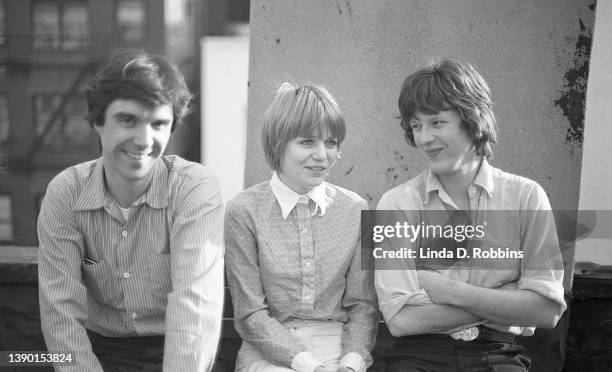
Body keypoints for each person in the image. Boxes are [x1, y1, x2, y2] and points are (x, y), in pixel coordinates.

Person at [374, 58, 566, 371]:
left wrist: (451, 292)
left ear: (472, 118)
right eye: (416, 126)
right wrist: (508, 301)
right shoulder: (395, 205)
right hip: (417, 355)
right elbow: (401, 321)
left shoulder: (527, 197)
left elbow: (546, 311)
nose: (423, 138)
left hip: (499, 353)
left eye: (436, 122)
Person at [38, 51, 224, 371]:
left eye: (158, 124)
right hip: (98, 351)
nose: (144, 140)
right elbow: (60, 314)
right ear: (98, 121)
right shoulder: (66, 193)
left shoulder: (194, 188)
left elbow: (195, 306)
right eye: (128, 120)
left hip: (177, 349)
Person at [224, 83, 379, 372]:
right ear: (277, 144)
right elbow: (251, 315)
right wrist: (311, 367)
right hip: (268, 351)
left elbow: (363, 305)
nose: (322, 154)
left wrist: (351, 362)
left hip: (339, 347)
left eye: (331, 143)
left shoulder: (356, 209)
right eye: (308, 142)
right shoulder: (243, 211)